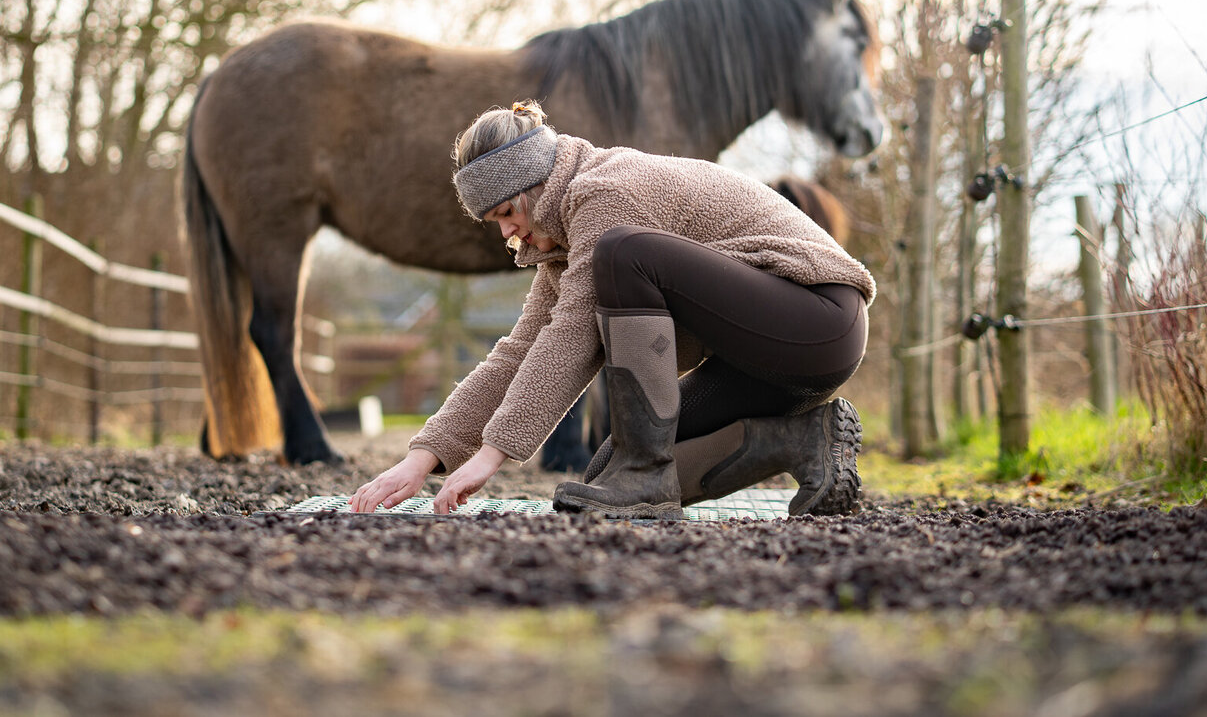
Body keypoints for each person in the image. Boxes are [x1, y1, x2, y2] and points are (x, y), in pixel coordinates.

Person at [349, 101, 876, 520]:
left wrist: (492, 455)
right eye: (494, 222)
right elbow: (518, 353)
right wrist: (423, 458)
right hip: (762, 361)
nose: (506, 231)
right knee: (611, 475)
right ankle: (802, 442)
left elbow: (570, 338)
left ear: (535, 184)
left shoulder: (605, 192)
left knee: (623, 252)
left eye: (507, 212)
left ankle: (646, 472)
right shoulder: (563, 241)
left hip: (818, 320)